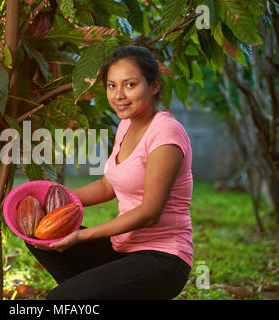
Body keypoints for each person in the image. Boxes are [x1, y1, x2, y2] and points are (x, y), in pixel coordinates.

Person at [25, 45, 193, 300]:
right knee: (38, 235)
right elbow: (108, 186)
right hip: (122, 249)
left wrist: (80, 236)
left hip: (163, 259)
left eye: (130, 84)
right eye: (112, 86)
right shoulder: (126, 125)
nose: (119, 95)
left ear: (154, 86)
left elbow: (149, 213)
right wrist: (50, 200)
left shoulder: (166, 134)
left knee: (61, 301)